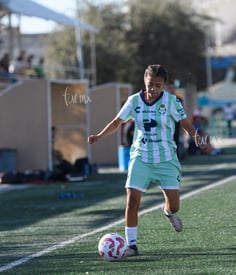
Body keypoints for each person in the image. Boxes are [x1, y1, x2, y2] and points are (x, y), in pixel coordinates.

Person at [88, 64, 213, 257]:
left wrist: (200, 141)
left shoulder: (172, 102)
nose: (153, 88)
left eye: (158, 85)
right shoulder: (133, 101)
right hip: (141, 157)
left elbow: (187, 125)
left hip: (166, 159)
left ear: (163, 85)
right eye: (150, 84)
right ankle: (132, 246)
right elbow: (117, 122)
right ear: (144, 81)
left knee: (175, 205)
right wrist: (99, 136)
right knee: (132, 200)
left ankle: (168, 212)